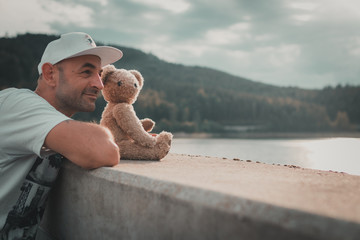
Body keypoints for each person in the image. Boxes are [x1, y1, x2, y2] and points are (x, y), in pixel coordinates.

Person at [0, 32, 123, 239]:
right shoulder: (16, 103)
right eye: (86, 72)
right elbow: (101, 150)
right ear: (50, 74)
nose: (99, 84)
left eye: (99, 74)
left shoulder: (48, 125)